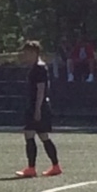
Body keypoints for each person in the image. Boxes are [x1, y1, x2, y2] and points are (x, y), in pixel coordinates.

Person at [16, 41, 63, 178]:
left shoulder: (39, 68)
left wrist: (37, 109)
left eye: (27, 52)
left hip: (37, 106)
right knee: (43, 136)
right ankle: (55, 166)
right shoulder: (36, 67)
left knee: (29, 134)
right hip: (37, 105)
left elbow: (41, 89)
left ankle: (31, 168)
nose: (25, 55)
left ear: (34, 53)